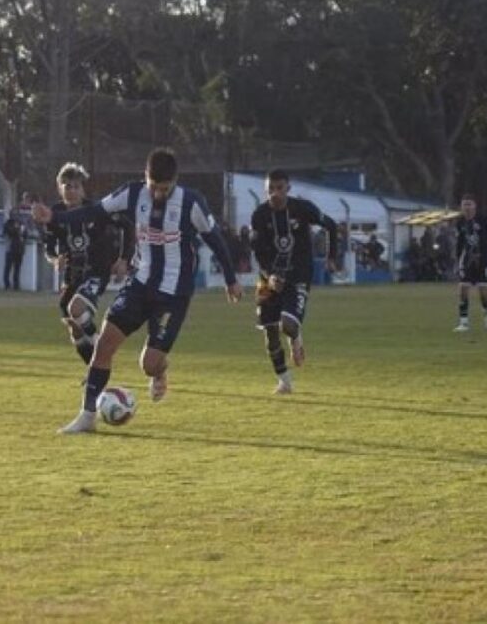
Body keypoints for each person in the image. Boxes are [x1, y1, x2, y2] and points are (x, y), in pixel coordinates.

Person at [31, 147, 242, 434]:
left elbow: (215, 239)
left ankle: (160, 370)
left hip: (173, 294)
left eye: (164, 189)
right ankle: (86, 415)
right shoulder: (131, 194)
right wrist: (54, 219)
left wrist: (231, 278)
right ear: (146, 177)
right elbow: (93, 211)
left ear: (175, 182)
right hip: (139, 286)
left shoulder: (191, 203)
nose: (158, 194)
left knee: (149, 363)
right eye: (154, 187)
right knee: (103, 346)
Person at [250, 170, 338, 394]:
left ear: (288, 188)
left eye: (279, 188)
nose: (275, 193)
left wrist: (332, 257)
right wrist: (269, 275)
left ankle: (296, 337)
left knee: (287, 325)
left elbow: (331, 225)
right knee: (269, 332)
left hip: (298, 276)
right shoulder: (259, 216)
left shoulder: (303, 209)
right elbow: (258, 252)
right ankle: (284, 381)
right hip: (267, 278)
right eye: (270, 189)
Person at [44, 162, 133, 366]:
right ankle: (94, 369)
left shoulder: (96, 210)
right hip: (71, 277)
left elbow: (127, 226)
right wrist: (55, 257)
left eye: (76, 186)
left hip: (96, 272)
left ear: (83, 189)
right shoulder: (54, 215)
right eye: (67, 186)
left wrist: (123, 259)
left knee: (77, 308)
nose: (72, 190)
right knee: (74, 327)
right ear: (60, 188)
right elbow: (48, 246)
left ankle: (102, 356)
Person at [453, 194, 487, 331]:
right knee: (463, 289)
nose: (467, 207)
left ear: (475, 206)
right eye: (465, 204)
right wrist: (457, 260)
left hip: (484, 260)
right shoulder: (460, 223)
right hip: (468, 260)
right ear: (461, 207)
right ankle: (463, 322)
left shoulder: (484, 220)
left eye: (469, 204)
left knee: (484, 292)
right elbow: (459, 243)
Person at [2, 210, 28, 290]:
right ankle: (7, 285)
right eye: (13, 215)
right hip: (10, 248)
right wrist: (16, 229)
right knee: (8, 268)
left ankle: (16, 285)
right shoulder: (7, 224)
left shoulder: (22, 224)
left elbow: (25, 235)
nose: (15, 217)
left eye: (17, 215)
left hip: (19, 248)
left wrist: (22, 231)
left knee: (17, 268)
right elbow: (8, 233)